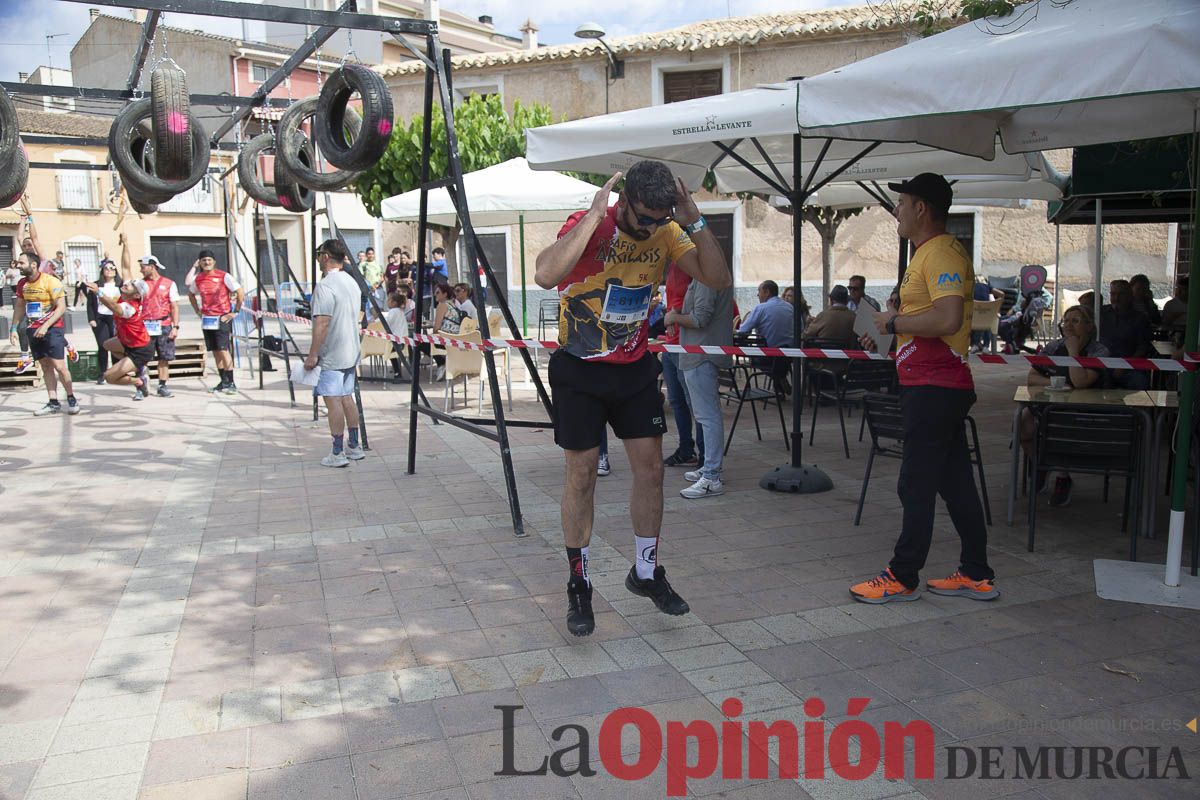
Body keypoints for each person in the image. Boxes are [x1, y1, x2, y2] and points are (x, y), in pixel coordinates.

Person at [534, 160, 731, 636]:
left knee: (651, 469)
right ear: (623, 203)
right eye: (643, 217)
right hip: (579, 369)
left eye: (658, 219)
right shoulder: (593, 221)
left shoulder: (665, 230)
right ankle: (579, 583)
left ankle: (645, 571)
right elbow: (545, 274)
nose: (650, 228)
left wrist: (693, 220)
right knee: (581, 474)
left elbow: (717, 278)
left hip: (633, 367)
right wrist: (593, 215)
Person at [849, 172, 996, 604]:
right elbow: (927, 322)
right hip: (932, 383)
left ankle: (903, 575)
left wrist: (894, 321)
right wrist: (888, 332)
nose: (895, 210)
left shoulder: (943, 253)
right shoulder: (928, 255)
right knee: (955, 485)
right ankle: (976, 572)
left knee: (914, 483)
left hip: (936, 387)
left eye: (902, 203)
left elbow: (948, 319)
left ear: (920, 209)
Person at [1019, 304, 1109, 507]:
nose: (1068, 326)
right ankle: (1042, 465)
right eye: (1065, 321)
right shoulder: (1052, 347)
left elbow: (1080, 382)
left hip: (1082, 413)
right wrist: (1055, 383)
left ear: (1089, 327)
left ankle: (1062, 476)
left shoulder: (1099, 351)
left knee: (1059, 429)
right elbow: (1032, 378)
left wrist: (1073, 352)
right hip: (1050, 407)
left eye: (1075, 321)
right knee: (1023, 424)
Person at [666, 262, 734, 499]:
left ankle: (712, 476)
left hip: (701, 354)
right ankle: (709, 469)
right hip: (699, 353)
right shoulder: (705, 276)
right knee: (706, 416)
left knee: (708, 416)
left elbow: (700, 318)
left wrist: (674, 317)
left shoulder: (707, 277)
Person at [305, 239, 366, 468]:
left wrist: (313, 354)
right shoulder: (351, 281)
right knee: (347, 398)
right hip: (351, 349)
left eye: (320, 253)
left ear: (326, 256)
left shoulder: (325, 285)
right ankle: (355, 446)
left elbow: (322, 322)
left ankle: (338, 452)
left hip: (332, 353)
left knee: (333, 402)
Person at [10, 251, 80, 416]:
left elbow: (61, 307)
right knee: (45, 366)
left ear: (33, 265)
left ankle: (71, 398)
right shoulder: (22, 284)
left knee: (59, 366)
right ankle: (53, 402)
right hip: (33, 328)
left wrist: (46, 326)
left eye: (21, 263)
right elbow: (19, 306)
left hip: (53, 328)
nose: (18, 266)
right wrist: (14, 328)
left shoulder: (50, 281)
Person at [661, 264, 703, 468]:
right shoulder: (671, 265)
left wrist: (674, 315)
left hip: (685, 345)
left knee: (693, 402)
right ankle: (686, 448)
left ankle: (704, 454)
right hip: (671, 345)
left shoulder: (687, 262)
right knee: (677, 400)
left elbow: (693, 303)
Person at [187, 248, 244, 394]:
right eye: (204, 260)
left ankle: (231, 382)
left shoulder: (223, 276)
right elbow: (191, 294)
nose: (206, 262)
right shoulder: (198, 278)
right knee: (216, 351)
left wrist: (234, 312)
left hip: (221, 317)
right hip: (207, 319)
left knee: (224, 350)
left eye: (209, 260)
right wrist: (198, 311)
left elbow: (239, 291)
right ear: (200, 263)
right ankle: (223, 381)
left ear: (214, 262)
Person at [98, 278, 157, 401]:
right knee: (107, 345)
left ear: (136, 294)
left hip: (140, 350)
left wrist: (98, 292)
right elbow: (125, 267)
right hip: (129, 342)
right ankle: (139, 368)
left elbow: (114, 307)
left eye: (130, 285)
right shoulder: (126, 296)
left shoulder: (130, 307)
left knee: (109, 377)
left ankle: (139, 380)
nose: (126, 284)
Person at [738, 279, 795, 392]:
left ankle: (778, 377)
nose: (757, 294)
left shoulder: (761, 308)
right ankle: (780, 377)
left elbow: (743, 330)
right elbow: (801, 329)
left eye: (759, 291)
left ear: (767, 292)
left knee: (749, 355)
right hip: (789, 356)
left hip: (767, 356)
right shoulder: (790, 307)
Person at [138, 254, 180, 398]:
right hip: (145, 326)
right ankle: (141, 385)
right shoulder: (140, 284)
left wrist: (175, 327)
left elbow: (174, 306)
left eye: (143, 268)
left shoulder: (169, 284)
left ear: (152, 266)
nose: (141, 271)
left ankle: (162, 386)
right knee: (141, 357)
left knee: (164, 356)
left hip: (164, 324)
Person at [1099, 278, 1153, 390]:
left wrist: (1125, 366)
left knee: (1140, 384)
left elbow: (1143, 348)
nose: (1116, 298)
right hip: (1101, 365)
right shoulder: (1100, 313)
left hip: (1129, 367)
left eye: (1121, 294)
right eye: (1113, 294)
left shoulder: (1140, 319)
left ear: (1130, 296)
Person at [84, 259, 123, 384]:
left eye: (112, 268)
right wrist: (91, 318)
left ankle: (116, 372)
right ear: (102, 271)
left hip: (115, 317)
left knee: (115, 345)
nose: (110, 271)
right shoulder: (96, 285)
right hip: (100, 317)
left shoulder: (121, 285)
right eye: (107, 268)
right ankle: (102, 373)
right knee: (102, 345)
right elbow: (90, 304)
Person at [429, 281, 466, 381]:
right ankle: (443, 362)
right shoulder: (453, 305)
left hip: (446, 340)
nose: (435, 295)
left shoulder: (442, 305)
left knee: (418, 342)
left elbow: (436, 328)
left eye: (437, 292)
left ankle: (441, 363)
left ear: (445, 294)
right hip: (455, 339)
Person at [384, 290, 410, 382]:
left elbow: (385, 323)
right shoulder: (400, 311)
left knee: (391, 353)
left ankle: (397, 373)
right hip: (403, 340)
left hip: (396, 342)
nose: (387, 302)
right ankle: (397, 372)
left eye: (389, 300)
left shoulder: (393, 312)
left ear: (394, 303)